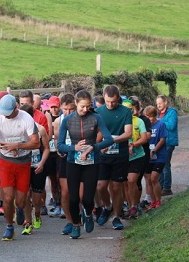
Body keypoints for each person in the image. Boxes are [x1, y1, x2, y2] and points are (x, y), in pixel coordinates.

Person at [0, 94, 40, 241]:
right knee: (7, 197)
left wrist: (18, 145)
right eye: (4, 112)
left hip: (23, 161)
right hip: (5, 161)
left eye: (9, 112)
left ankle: (20, 209)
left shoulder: (26, 118)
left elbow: (36, 143)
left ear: (16, 108)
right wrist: (2, 146)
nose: (6, 116)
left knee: (20, 201)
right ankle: (9, 227)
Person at [57, 90, 113, 239]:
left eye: (88, 106)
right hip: (72, 162)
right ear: (76, 103)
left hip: (91, 162)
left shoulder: (96, 118)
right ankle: (76, 225)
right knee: (73, 198)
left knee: (88, 199)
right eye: (82, 106)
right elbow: (60, 145)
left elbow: (109, 139)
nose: (85, 109)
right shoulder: (67, 120)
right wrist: (73, 148)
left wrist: (93, 147)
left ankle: (88, 213)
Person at [95, 85, 132, 231]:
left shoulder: (125, 111)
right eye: (108, 101)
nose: (110, 104)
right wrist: (99, 144)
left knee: (116, 187)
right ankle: (107, 206)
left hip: (120, 155)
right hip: (103, 155)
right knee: (101, 186)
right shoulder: (98, 112)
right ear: (104, 97)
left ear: (118, 99)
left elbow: (128, 133)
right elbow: (95, 134)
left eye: (114, 102)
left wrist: (111, 141)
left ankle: (116, 216)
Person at [19, 104, 50, 234]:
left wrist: (42, 163)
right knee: (25, 195)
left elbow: (47, 148)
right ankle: (28, 222)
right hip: (24, 166)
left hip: (37, 166)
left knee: (37, 199)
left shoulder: (41, 129)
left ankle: (37, 213)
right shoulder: (18, 129)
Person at [52, 93, 77, 235]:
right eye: (65, 109)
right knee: (66, 192)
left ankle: (80, 216)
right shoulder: (58, 122)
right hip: (64, 157)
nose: (68, 112)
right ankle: (70, 221)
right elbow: (56, 139)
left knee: (78, 193)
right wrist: (58, 149)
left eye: (71, 109)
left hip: (79, 155)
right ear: (61, 108)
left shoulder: (81, 120)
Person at [123, 99, 149, 219]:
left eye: (130, 109)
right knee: (126, 183)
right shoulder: (119, 121)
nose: (128, 112)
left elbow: (144, 138)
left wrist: (133, 144)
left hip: (137, 155)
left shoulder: (139, 121)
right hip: (123, 157)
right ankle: (130, 207)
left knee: (132, 180)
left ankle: (134, 205)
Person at [144, 106, 167, 210]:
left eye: (151, 117)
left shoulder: (161, 124)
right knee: (148, 180)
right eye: (147, 117)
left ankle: (158, 200)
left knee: (154, 178)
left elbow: (162, 140)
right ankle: (152, 201)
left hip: (159, 156)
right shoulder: (144, 126)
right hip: (147, 156)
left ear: (155, 115)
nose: (150, 119)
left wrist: (154, 150)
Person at [156, 95, 178, 196]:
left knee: (165, 165)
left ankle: (167, 188)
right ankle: (160, 187)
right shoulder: (158, 114)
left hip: (168, 142)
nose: (158, 105)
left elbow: (171, 126)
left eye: (160, 103)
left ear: (165, 102)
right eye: (157, 104)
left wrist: (159, 122)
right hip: (160, 142)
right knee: (159, 164)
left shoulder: (172, 112)